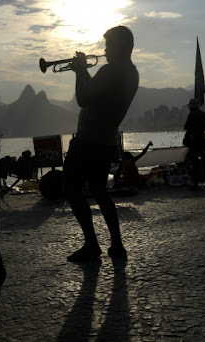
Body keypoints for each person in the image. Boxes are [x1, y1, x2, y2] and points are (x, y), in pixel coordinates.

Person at [63, 25, 139, 262]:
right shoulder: (130, 71)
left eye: (109, 44)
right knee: (99, 192)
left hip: (89, 140)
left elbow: (84, 99)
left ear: (121, 46)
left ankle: (91, 245)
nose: (105, 50)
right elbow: (96, 93)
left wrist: (78, 72)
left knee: (71, 189)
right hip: (106, 141)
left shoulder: (110, 70)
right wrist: (85, 72)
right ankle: (116, 245)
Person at [184, 98, 205, 190]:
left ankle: (195, 184)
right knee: (204, 162)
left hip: (194, 141)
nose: (189, 109)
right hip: (202, 141)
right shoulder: (204, 115)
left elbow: (185, 127)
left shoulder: (191, 115)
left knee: (195, 163)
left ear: (192, 107)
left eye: (190, 107)